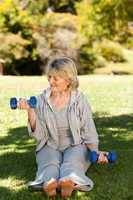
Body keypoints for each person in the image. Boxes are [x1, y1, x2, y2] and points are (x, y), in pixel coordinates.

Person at [18, 57, 108, 198]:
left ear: (68, 80)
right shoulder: (41, 100)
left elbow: (88, 128)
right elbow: (39, 134)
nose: (50, 81)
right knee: (49, 163)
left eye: (56, 78)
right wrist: (30, 111)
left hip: (75, 144)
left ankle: (68, 182)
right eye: (49, 77)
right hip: (49, 143)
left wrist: (95, 152)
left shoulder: (79, 100)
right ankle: (49, 183)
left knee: (72, 163)